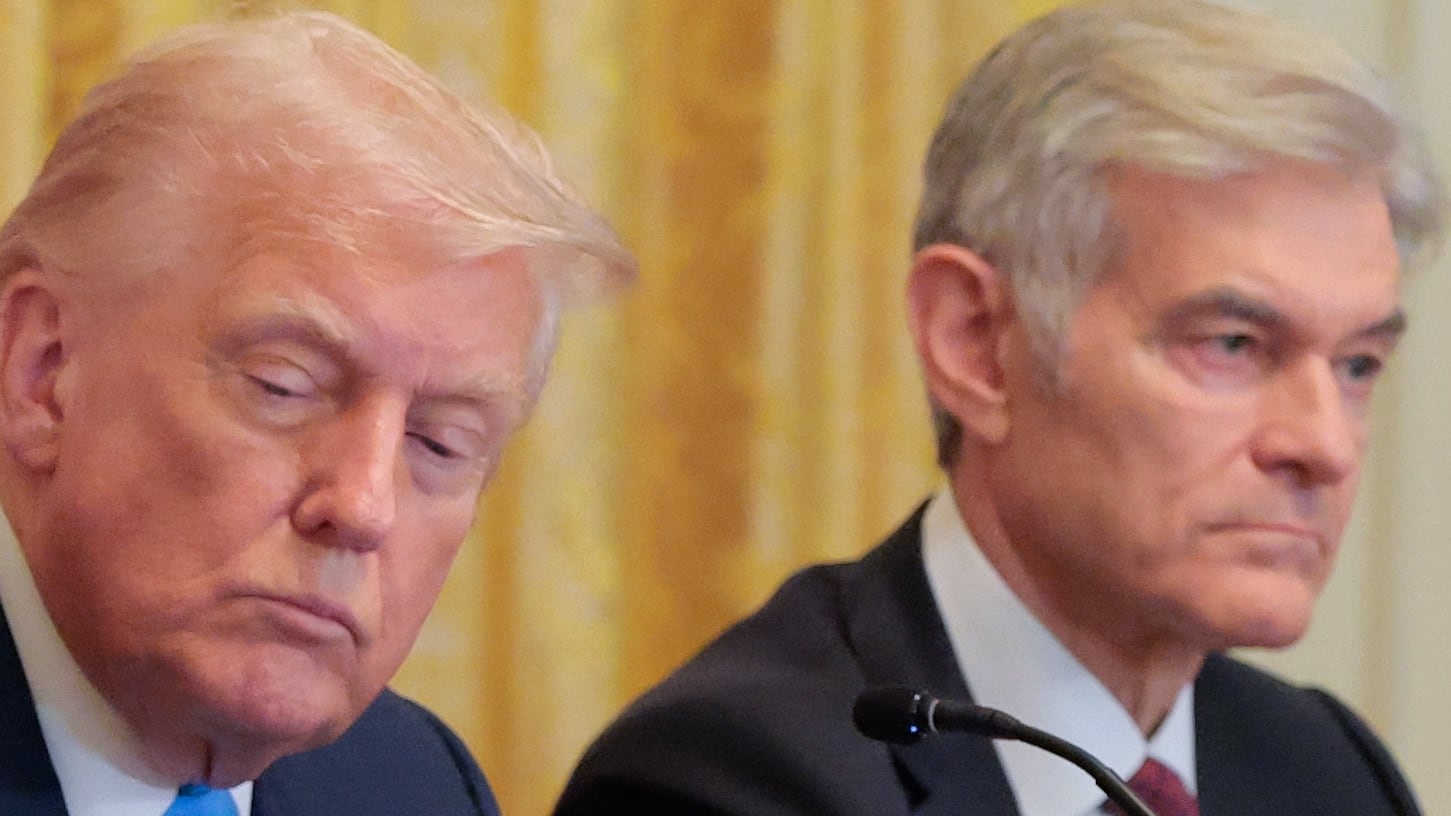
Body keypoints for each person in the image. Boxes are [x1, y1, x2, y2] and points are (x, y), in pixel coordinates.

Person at [554, 0, 1445, 814]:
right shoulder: (726, 782)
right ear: (975, 344)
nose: (1324, 446)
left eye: (1359, 363)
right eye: (1232, 345)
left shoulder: (1329, 772)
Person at [0, 10, 633, 816]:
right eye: (283, 387)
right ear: (42, 371)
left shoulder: (414, 787)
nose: (364, 507)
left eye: (438, 442)